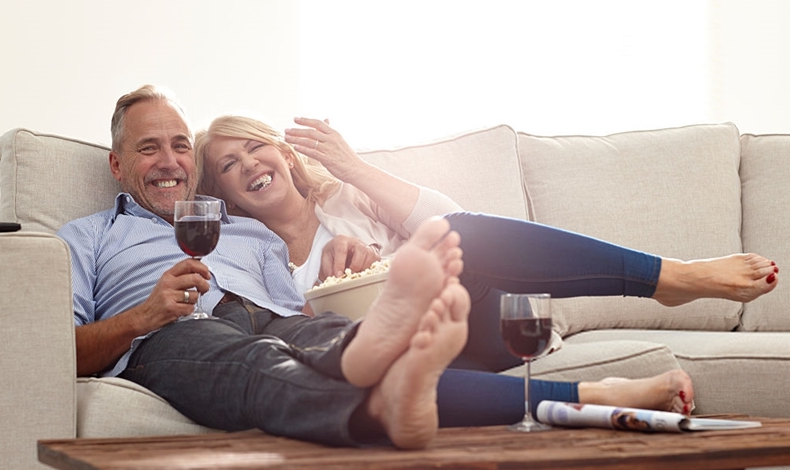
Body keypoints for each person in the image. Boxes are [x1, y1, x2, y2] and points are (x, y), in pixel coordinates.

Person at [58, 85, 694, 454]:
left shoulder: (245, 225)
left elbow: (304, 299)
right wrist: (142, 316)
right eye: (149, 148)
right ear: (118, 165)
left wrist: (358, 275)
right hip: (170, 336)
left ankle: (380, 370)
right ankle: (576, 398)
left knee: (344, 343)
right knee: (258, 365)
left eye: (179, 145)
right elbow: (56, 352)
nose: (170, 161)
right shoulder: (86, 238)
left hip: (281, 318)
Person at [194, 114, 780, 373]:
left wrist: (355, 174)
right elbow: (276, 335)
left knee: (456, 236)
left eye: (255, 147)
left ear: (285, 154)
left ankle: (668, 278)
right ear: (223, 194)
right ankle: (589, 395)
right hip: (396, 357)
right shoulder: (242, 254)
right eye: (228, 164)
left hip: (472, 322)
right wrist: (328, 301)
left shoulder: (350, 197)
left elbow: (457, 224)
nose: (249, 164)